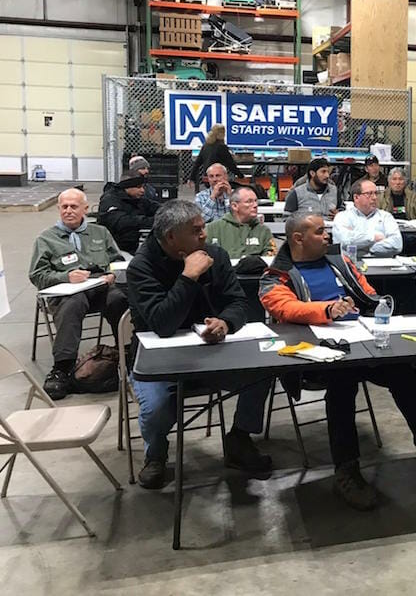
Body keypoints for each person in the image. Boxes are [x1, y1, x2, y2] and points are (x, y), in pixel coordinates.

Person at [259, 211, 416, 509]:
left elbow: (367, 293)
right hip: (315, 352)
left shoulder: (341, 262)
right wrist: (327, 310)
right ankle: (346, 470)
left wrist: (378, 309)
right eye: (320, 232)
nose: (327, 236)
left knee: (403, 372)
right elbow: (285, 309)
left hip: (363, 341)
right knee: (342, 382)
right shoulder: (275, 276)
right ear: (298, 238)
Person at [126, 200, 272, 489]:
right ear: (171, 237)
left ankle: (239, 439)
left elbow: (238, 302)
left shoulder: (214, 255)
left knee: (262, 372)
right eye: (196, 230)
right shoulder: (141, 267)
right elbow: (162, 324)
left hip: (210, 353)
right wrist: (188, 276)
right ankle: (155, 456)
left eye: (203, 227)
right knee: (156, 407)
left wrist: (226, 323)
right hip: (159, 360)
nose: (204, 235)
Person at [29, 188, 127, 400]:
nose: (69, 211)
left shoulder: (100, 232)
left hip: (100, 287)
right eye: (64, 207)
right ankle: (62, 368)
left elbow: (118, 260)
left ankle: (128, 354)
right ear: (58, 209)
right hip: (68, 293)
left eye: (74, 206)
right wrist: (65, 277)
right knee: (73, 303)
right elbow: (37, 275)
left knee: (120, 299)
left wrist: (112, 274)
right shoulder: (46, 239)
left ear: (84, 209)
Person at [332, 179, 402, 257]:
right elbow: (345, 241)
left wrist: (368, 249)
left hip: (381, 265)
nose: (374, 197)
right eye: (369, 194)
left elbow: (397, 244)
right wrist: (373, 238)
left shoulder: (386, 217)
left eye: (376, 193)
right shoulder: (343, 217)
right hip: (352, 264)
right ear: (356, 197)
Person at [97, 170, 159, 254]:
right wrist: (156, 221)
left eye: (143, 187)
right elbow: (122, 222)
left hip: (132, 246)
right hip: (112, 249)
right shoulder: (109, 199)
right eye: (138, 187)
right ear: (127, 187)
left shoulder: (136, 199)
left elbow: (154, 207)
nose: (143, 190)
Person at [205, 185, 275, 259]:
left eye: (256, 201)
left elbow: (271, 255)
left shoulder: (263, 231)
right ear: (234, 206)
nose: (255, 205)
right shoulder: (212, 229)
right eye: (249, 201)